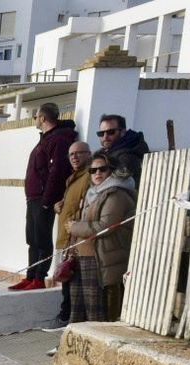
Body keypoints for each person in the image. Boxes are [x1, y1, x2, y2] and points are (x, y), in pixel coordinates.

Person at [12, 102, 77, 291]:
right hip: (33, 197)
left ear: (42, 118)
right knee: (32, 238)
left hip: (43, 198)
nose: (35, 120)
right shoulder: (45, 139)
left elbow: (56, 171)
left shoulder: (59, 139)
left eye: (36, 117)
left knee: (42, 239)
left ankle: (39, 277)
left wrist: (48, 201)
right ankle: (30, 275)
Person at [66, 151, 136, 323]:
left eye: (102, 169)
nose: (97, 173)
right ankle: (73, 348)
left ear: (111, 171)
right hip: (84, 256)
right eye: (93, 170)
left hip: (101, 259)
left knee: (96, 312)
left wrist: (75, 227)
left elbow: (105, 227)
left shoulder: (116, 194)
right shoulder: (94, 193)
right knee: (78, 308)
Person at [49, 140, 93, 328]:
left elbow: (86, 206)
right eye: (71, 154)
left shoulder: (90, 176)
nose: (74, 157)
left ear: (89, 154)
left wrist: (73, 221)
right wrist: (60, 205)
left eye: (79, 153)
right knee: (66, 278)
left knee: (71, 281)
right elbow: (73, 203)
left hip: (75, 238)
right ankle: (66, 315)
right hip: (65, 237)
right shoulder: (73, 177)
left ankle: (67, 317)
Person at [97, 114, 148, 185]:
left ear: (123, 132)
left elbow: (116, 186)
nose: (105, 137)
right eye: (101, 133)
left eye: (111, 132)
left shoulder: (127, 157)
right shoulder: (108, 151)